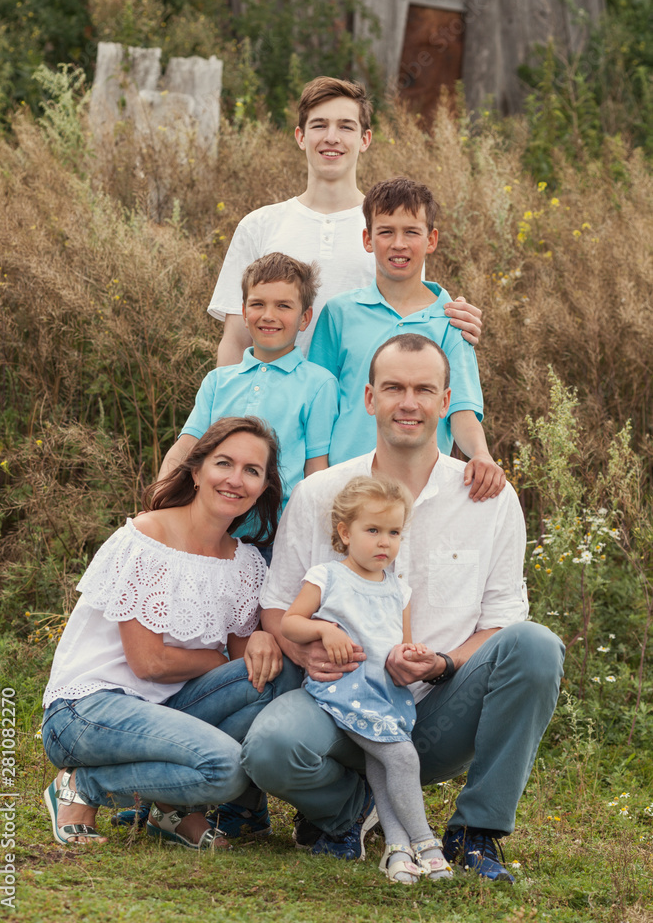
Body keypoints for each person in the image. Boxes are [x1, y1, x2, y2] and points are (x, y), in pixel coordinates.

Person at [240, 334, 565, 882]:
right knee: (271, 749)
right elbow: (276, 607)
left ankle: (476, 831)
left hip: (437, 710)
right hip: (341, 702)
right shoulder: (322, 493)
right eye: (393, 388)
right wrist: (308, 643)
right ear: (369, 398)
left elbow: (503, 618)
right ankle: (350, 810)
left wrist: (442, 663)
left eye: (423, 389)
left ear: (445, 401)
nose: (407, 403)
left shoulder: (488, 498)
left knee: (536, 644)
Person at [41, 417, 301, 848]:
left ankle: (170, 811)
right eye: (224, 464)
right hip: (88, 710)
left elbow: (246, 671)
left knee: (276, 676)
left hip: (169, 710)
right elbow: (150, 662)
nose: (236, 480)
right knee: (224, 769)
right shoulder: (147, 538)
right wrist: (221, 660)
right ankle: (81, 786)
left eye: (252, 471)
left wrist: (262, 638)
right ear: (196, 471)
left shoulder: (247, 562)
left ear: (263, 487)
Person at [207, 76, 483, 365]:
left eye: (345, 126)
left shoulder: (391, 230)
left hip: (363, 404)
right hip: (275, 407)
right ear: (301, 137)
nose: (331, 137)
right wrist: (229, 408)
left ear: (364, 139)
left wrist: (454, 323)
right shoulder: (258, 226)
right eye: (319, 125)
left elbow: (412, 320)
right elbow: (236, 339)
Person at [281, 475, 453, 884]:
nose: (384, 543)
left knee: (383, 761)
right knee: (402, 756)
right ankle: (426, 843)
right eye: (372, 530)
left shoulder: (399, 590)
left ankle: (396, 850)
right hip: (346, 689)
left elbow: (400, 647)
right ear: (345, 532)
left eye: (393, 532)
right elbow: (290, 623)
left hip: (385, 692)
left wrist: (410, 656)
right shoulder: (327, 576)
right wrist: (325, 630)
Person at [308, 176, 503, 501]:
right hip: (346, 492)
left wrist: (481, 454)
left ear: (431, 239)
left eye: (411, 232)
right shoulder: (339, 314)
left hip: (420, 494)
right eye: (386, 232)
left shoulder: (451, 319)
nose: (399, 243)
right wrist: (317, 484)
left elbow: (461, 410)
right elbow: (317, 408)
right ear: (368, 239)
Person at [158, 253, 339, 534]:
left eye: (283, 306)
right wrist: (159, 506)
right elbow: (185, 448)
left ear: (305, 318)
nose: (269, 316)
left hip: (276, 538)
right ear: (243, 313)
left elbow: (316, 470)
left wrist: (312, 538)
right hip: (210, 532)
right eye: (258, 304)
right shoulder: (217, 381)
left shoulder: (318, 384)